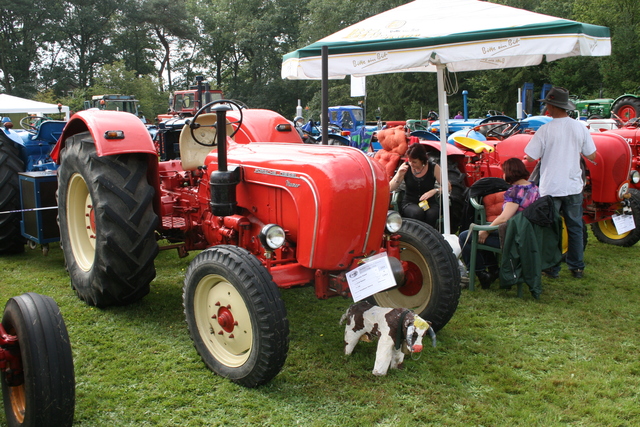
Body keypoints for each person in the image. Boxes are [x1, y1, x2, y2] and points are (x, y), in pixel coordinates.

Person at [524, 87, 596, 279]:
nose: (546, 107)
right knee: (575, 226)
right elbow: (592, 154)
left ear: (552, 106)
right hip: (573, 184)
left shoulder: (545, 130)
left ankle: (552, 267)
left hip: (552, 186)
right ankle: (577, 267)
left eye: (547, 103)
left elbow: (530, 157)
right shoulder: (580, 127)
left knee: (551, 229)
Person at [459, 158, 540, 288]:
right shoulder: (534, 188)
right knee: (481, 234)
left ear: (509, 172)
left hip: (513, 239)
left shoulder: (515, 192)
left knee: (466, 236)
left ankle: (481, 274)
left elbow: (504, 218)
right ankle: (493, 269)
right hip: (527, 236)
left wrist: (485, 231)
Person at [389, 143, 448, 228]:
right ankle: (417, 236)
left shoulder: (433, 167)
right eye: (409, 160)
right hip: (410, 202)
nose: (411, 164)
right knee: (417, 212)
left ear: (422, 160)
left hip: (429, 202)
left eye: (414, 162)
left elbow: (448, 187)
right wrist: (399, 175)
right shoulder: (405, 166)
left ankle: (430, 236)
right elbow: (391, 187)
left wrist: (435, 190)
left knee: (432, 214)